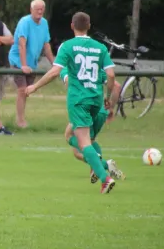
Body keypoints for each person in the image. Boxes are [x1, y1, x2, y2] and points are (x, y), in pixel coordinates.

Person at [25, 11, 117, 194]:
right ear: (89, 26)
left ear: (72, 26)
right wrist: (108, 97)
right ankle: (99, 163)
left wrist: (34, 87)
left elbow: (54, 72)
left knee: (82, 143)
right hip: (96, 99)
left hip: (78, 100)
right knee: (80, 138)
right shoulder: (100, 48)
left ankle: (105, 178)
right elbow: (111, 75)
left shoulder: (67, 46)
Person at [60, 67, 125, 182]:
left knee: (73, 141)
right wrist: (110, 108)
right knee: (90, 141)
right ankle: (96, 169)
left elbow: (68, 81)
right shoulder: (94, 68)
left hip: (82, 108)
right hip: (100, 110)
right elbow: (117, 86)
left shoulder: (69, 68)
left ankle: (104, 165)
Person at [8, 0, 54, 128]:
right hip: (18, 60)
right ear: (31, 10)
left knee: (27, 91)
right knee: (22, 89)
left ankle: (21, 117)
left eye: (41, 10)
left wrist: (55, 64)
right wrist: (23, 65)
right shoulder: (25, 22)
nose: (39, 12)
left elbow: (46, 46)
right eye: (37, 9)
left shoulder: (44, 23)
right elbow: (22, 44)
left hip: (32, 62)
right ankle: (20, 121)